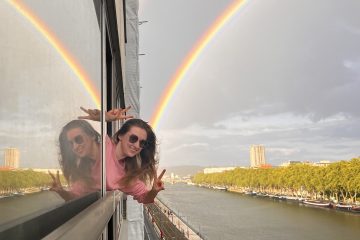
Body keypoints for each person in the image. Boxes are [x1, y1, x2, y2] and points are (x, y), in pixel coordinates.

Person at [50, 107, 165, 204]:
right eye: (133, 138)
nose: (136, 145)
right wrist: (104, 117)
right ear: (120, 136)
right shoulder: (104, 148)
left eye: (142, 143)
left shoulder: (127, 177)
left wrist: (154, 191)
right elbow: (74, 197)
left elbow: (145, 198)